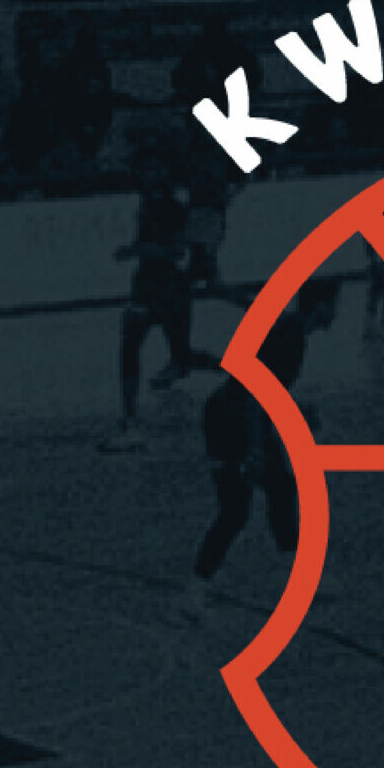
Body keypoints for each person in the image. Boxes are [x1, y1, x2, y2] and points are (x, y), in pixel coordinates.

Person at [174, 278, 339, 623]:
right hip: (229, 421)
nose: (336, 312)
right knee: (235, 511)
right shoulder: (290, 337)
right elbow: (254, 392)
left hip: (243, 417)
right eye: (333, 304)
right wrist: (255, 450)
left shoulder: (293, 331)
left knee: (282, 489)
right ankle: (194, 592)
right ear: (321, 305)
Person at [101, 151, 219, 451]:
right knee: (137, 348)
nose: (145, 172)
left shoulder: (171, 203)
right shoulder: (151, 200)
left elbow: (175, 249)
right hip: (151, 285)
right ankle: (129, 417)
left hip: (165, 287)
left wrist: (138, 251)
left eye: (151, 167)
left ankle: (246, 376)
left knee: (175, 356)